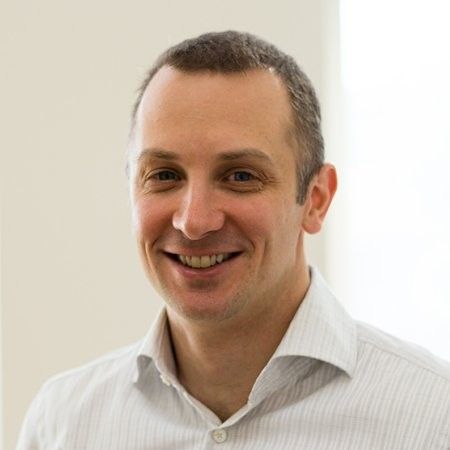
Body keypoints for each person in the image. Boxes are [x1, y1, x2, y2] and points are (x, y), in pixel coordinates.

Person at [17, 31, 450, 450]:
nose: (193, 222)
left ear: (316, 200)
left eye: (240, 176)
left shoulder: (434, 418)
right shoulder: (62, 424)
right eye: (164, 175)